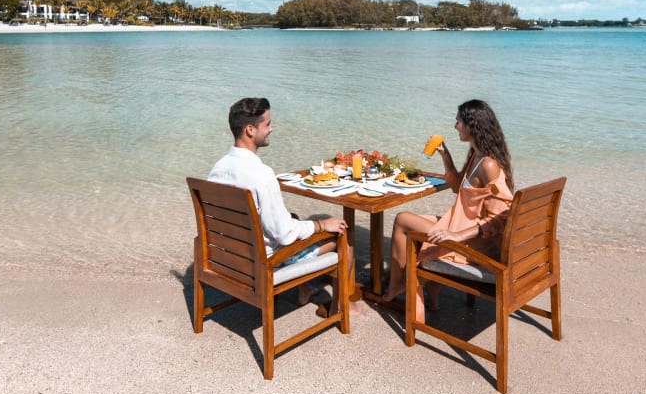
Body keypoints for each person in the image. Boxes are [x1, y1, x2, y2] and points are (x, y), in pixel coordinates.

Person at [208, 97, 357, 316]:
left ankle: (304, 290)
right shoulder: (262, 175)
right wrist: (321, 224)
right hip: (263, 262)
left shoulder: (217, 169)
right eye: (267, 124)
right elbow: (284, 235)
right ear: (250, 129)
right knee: (345, 235)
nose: (271, 128)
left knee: (294, 217)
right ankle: (341, 308)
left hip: (232, 256)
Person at [382, 99, 515, 322]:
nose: (455, 127)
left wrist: (456, 236)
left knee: (403, 220)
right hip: (466, 228)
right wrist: (445, 156)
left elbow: (501, 218)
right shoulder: (477, 156)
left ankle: (397, 286)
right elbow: (457, 188)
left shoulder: (488, 165)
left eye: (458, 122)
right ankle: (431, 290)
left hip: (476, 243)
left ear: (472, 126)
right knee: (412, 221)